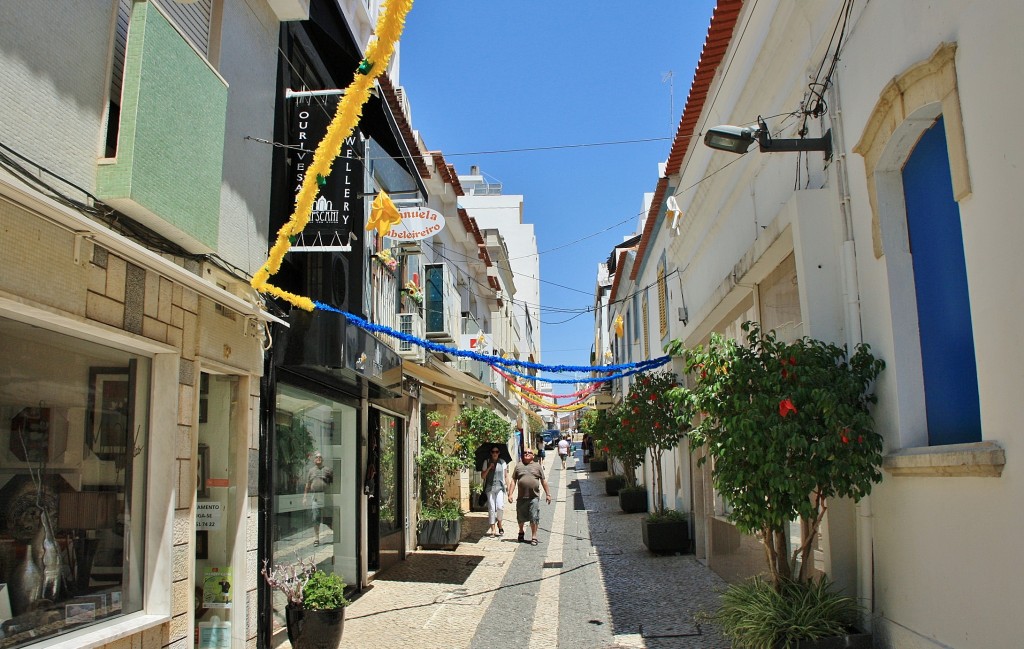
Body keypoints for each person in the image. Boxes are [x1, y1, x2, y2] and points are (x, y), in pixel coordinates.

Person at [507, 448, 551, 545]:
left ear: (533, 455)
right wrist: (510, 494)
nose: (527, 454)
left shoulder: (537, 466)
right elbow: (513, 481)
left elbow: (543, 481)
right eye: (525, 452)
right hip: (521, 497)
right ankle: (521, 531)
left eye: (529, 453)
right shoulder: (518, 466)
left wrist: (548, 494)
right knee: (520, 517)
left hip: (534, 497)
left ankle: (534, 536)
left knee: (534, 517)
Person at [303, 451, 333, 546]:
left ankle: (338, 537)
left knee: (329, 518)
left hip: (326, 497)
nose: (318, 458)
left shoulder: (328, 470)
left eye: (320, 457)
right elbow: (307, 485)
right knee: (315, 518)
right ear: (314, 460)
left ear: (322, 460)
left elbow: (335, 483)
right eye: (316, 457)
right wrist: (304, 497)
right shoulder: (311, 471)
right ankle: (316, 538)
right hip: (315, 497)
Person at [480, 446, 508, 537]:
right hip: (490, 488)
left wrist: (508, 488)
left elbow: (506, 476)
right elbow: (483, 476)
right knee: (491, 507)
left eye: (497, 451)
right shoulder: (486, 462)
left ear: (499, 453)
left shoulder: (503, 462)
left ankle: (499, 523)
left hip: (500, 487)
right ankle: (493, 529)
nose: (495, 453)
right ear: (491, 453)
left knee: (500, 507)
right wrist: (488, 468)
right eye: (493, 451)